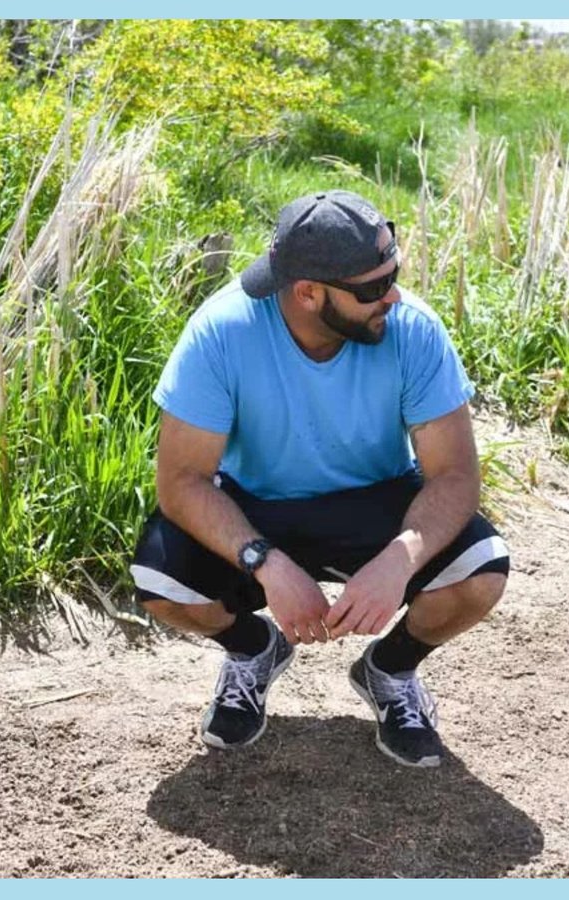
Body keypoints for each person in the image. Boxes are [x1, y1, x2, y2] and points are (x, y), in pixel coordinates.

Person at [129, 190, 510, 768]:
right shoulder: (220, 331)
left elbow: (454, 476)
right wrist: (267, 564)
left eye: (394, 274)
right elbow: (182, 482)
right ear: (307, 292)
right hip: (257, 508)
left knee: (481, 571)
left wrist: (401, 558)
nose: (394, 296)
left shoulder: (414, 329)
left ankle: (391, 671)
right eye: (371, 289)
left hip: (379, 503)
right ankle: (254, 650)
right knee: (160, 578)